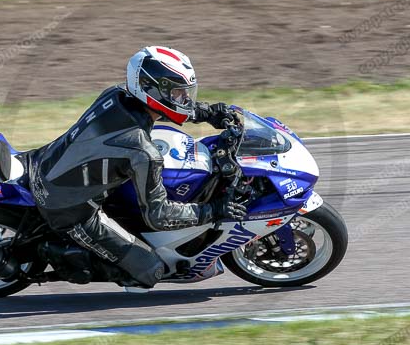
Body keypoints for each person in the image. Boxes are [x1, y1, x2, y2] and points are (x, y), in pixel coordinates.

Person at [28, 46, 247, 288]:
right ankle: (69, 259)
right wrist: (213, 211)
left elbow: (160, 109)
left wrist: (207, 113)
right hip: (69, 208)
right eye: (178, 93)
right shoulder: (143, 153)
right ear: (152, 89)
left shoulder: (116, 95)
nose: (184, 100)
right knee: (150, 270)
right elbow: (159, 216)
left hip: (45, 161)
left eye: (186, 94)